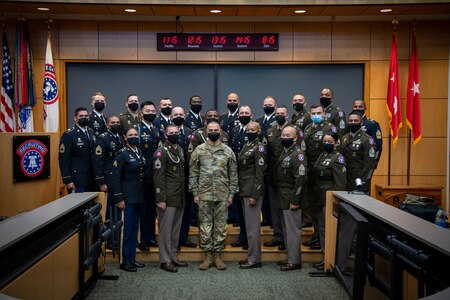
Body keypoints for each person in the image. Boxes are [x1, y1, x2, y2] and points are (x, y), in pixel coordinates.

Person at [189, 122, 238, 271]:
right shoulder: (199, 150)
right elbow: (193, 173)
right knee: (204, 225)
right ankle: (208, 255)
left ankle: (217, 255)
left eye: (216, 130)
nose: (213, 132)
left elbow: (233, 174)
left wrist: (231, 194)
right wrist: (195, 193)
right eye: (211, 130)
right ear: (206, 132)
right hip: (204, 195)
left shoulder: (228, 151)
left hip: (223, 195)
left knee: (221, 226)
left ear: (221, 131)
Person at [153, 125, 188, 273]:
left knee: (175, 230)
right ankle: (165, 260)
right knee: (165, 230)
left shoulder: (179, 149)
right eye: (171, 133)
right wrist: (160, 198)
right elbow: (158, 177)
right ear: (165, 135)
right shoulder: (161, 152)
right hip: (166, 197)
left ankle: (173, 256)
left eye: (176, 132)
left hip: (179, 195)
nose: (175, 135)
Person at [111, 128, 146, 272]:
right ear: (125, 137)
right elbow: (115, 177)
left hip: (137, 196)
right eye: (130, 135)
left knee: (133, 230)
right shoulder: (122, 154)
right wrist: (119, 198)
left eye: (135, 135)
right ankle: (124, 261)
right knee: (125, 231)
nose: (133, 137)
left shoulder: (139, 151)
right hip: (126, 198)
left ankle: (132, 258)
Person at [303, 104, 337, 250]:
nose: (316, 115)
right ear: (310, 115)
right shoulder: (308, 128)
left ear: (324, 114)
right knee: (313, 208)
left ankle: (325, 241)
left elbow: (335, 149)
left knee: (323, 211)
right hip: (311, 174)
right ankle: (317, 236)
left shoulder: (330, 129)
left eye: (319, 113)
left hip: (324, 174)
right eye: (313, 113)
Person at [312, 131, 347, 262]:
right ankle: (326, 257)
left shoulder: (338, 158)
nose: (326, 144)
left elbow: (341, 183)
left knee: (330, 229)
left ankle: (333, 259)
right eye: (324, 141)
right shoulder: (323, 154)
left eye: (329, 142)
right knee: (322, 228)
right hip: (320, 196)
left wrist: (336, 201)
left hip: (330, 197)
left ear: (336, 143)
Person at [276, 125, 307, 271]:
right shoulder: (285, 152)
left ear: (295, 138)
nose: (284, 137)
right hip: (283, 196)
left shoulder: (298, 154)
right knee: (287, 230)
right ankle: (290, 258)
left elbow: (300, 179)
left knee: (293, 230)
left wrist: (295, 200)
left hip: (291, 198)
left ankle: (294, 261)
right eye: (283, 134)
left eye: (288, 135)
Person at [237, 121, 266, 269]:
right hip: (244, 189)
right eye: (248, 129)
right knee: (249, 227)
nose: (250, 131)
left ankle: (254, 259)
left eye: (253, 129)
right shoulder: (247, 145)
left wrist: (255, 195)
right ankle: (251, 256)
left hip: (252, 192)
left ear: (259, 131)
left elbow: (259, 174)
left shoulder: (259, 147)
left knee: (253, 227)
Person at [92, 114, 124, 248]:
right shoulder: (102, 139)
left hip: (118, 180)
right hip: (108, 181)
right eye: (112, 123)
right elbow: (97, 161)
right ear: (106, 125)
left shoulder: (121, 138)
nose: (115, 124)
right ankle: (108, 241)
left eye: (117, 122)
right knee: (108, 213)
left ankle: (116, 239)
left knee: (118, 213)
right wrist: (101, 182)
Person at [264, 106, 290, 250]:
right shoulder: (270, 131)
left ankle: (287, 239)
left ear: (287, 116)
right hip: (273, 176)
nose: (279, 115)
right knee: (274, 208)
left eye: (282, 114)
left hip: (287, 178)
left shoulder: (293, 131)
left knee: (286, 209)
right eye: (277, 113)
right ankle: (278, 236)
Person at [171, 107, 197, 248]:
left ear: (185, 115)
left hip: (188, 176)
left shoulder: (189, 133)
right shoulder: (168, 132)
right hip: (174, 179)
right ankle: (173, 240)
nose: (179, 116)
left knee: (186, 210)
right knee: (174, 211)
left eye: (181, 114)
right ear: (171, 116)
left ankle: (183, 237)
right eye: (176, 114)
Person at [136, 101, 160, 251]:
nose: (150, 113)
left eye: (152, 110)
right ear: (141, 113)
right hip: (143, 177)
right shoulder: (138, 130)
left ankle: (151, 237)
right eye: (147, 111)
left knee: (152, 209)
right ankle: (143, 239)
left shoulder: (156, 129)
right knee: (143, 210)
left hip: (155, 176)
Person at [229, 105, 253, 250]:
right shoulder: (235, 130)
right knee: (239, 210)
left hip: (248, 177)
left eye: (246, 113)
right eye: (241, 113)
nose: (243, 115)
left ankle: (250, 240)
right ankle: (242, 237)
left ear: (251, 115)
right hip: (236, 175)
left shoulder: (254, 132)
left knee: (249, 213)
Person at [59, 107, 95, 193]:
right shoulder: (69, 134)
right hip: (77, 179)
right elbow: (64, 159)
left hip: (91, 178)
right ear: (75, 118)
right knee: (79, 205)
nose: (84, 117)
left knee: (92, 205)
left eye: (86, 116)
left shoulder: (91, 132)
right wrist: (67, 180)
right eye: (81, 116)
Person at [340, 110, 376, 192]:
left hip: (358, 179)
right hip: (345, 178)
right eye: (350, 121)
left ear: (361, 122)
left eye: (356, 121)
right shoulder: (344, 138)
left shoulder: (367, 139)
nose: (353, 122)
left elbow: (369, 164)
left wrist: (363, 181)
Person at [255, 96, 277, 227]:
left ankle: (273, 220)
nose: (267, 106)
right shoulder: (258, 121)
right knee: (262, 191)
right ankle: (266, 217)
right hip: (260, 160)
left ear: (275, 107)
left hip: (273, 162)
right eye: (265, 104)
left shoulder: (277, 121)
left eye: (270, 105)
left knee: (272, 195)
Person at [352, 99, 383, 166]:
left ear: (365, 109)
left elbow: (378, 146)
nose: (357, 108)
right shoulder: (349, 123)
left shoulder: (371, 124)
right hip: (351, 163)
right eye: (355, 106)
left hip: (365, 162)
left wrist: (374, 162)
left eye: (360, 107)